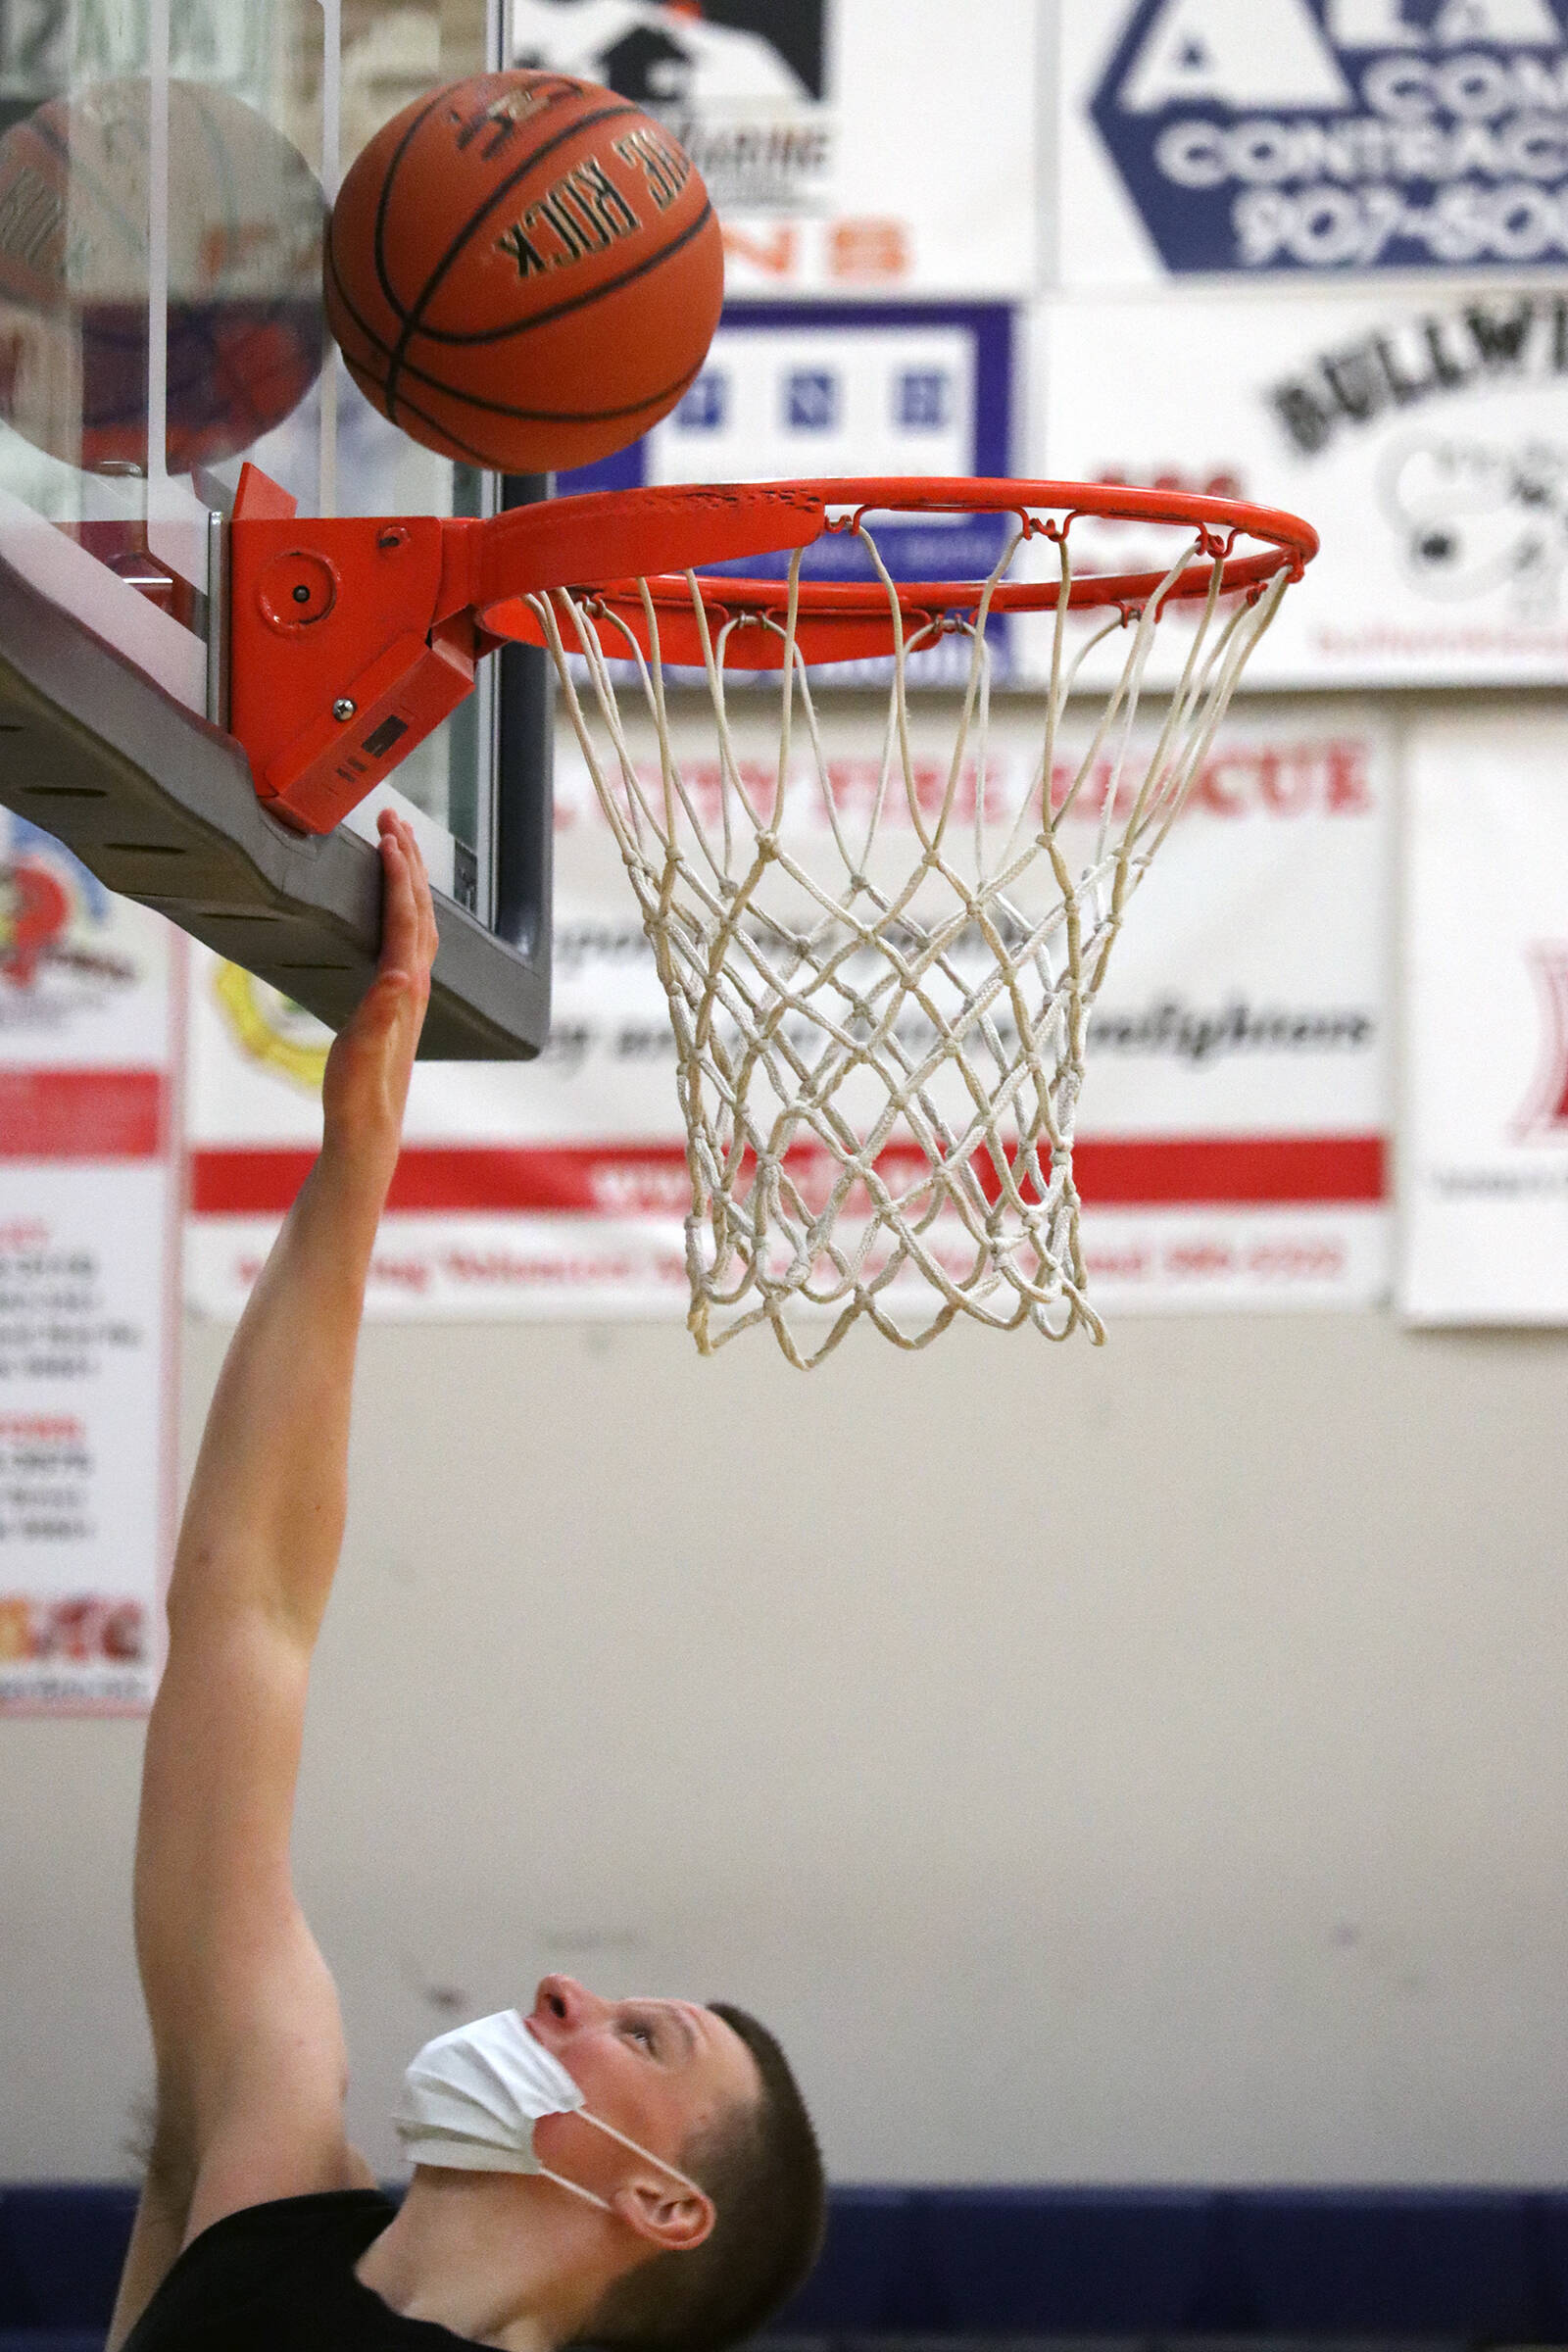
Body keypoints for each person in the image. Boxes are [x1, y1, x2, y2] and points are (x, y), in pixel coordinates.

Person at [107, 811, 824, 2352]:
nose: (560, 1990)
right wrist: (360, 1148)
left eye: (644, 2037)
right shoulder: (268, 2195)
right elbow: (250, 1613)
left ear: (665, 2205)